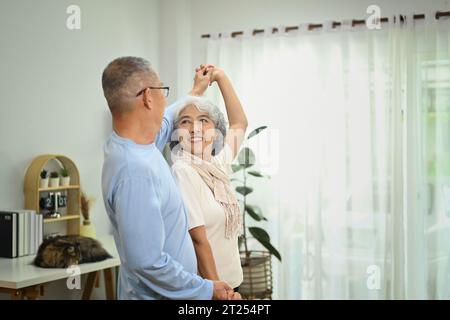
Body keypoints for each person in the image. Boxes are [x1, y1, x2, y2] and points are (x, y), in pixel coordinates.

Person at [101, 57, 239, 300]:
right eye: (163, 91)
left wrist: (197, 91)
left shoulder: (138, 145)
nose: (167, 101)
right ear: (147, 98)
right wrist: (207, 289)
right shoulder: (136, 173)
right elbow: (147, 263)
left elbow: (167, 119)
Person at [171, 65, 248, 292]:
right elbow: (198, 241)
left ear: (215, 132)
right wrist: (218, 291)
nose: (195, 128)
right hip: (210, 289)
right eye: (185, 121)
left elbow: (239, 124)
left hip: (233, 283)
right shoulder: (183, 171)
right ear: (177, 133)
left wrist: (221, 77)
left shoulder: (217, 164)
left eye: (203, 120)